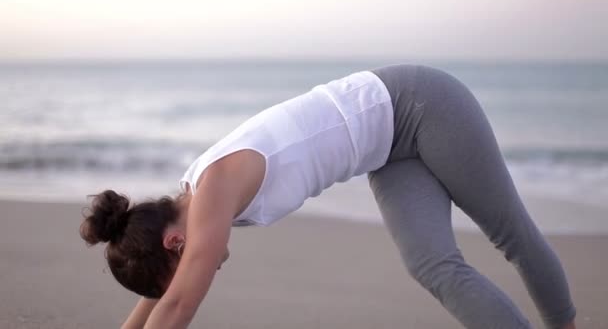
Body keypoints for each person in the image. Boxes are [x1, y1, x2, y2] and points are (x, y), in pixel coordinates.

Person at [79, 64, 577, 329]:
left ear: (174, 245)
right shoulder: (189, 204)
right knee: (434, 266)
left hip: (422, 106)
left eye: (182, 266)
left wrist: (169, 298)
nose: (204, 268)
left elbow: (179, 305)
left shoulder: (211, 195)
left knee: (511, 235)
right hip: (389, 149)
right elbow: (164, 298)